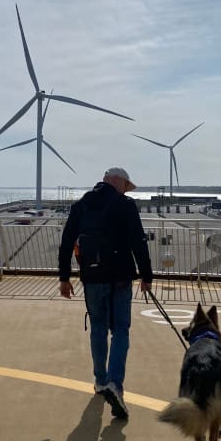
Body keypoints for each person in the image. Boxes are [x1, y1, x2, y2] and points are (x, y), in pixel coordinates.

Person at [58, 167, 153, 419]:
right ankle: (115, 384)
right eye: (125, 184)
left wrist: (64, 278)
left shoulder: (82, 205)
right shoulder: (126, 205)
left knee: (98, 328)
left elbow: (67, 241)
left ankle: (100, 381)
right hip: (120, 278)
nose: (126, 189)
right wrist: (146, 276)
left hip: (92, 278)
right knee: (120, 330)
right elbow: (138, 242)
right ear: (117, 181)